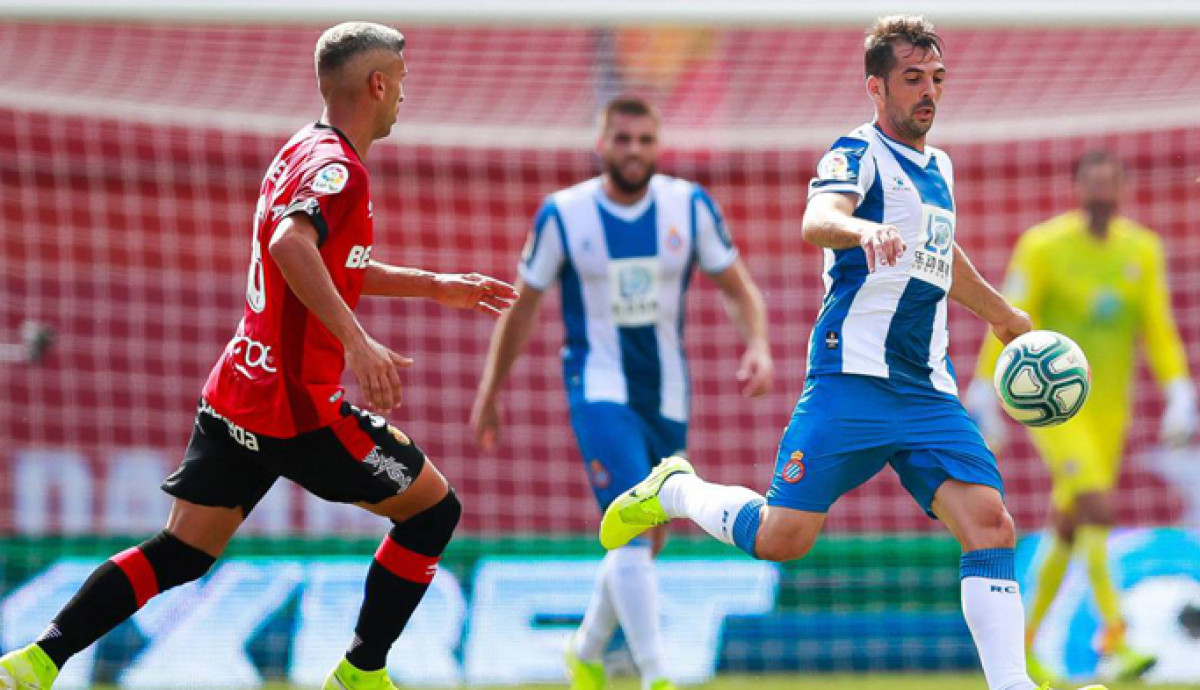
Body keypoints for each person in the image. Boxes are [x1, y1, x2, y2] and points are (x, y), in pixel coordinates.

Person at [0, 22, 517, 690]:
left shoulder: (302, 148)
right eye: (403, 83)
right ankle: (361, 672)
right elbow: (290, 244)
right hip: (300, 410)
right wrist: (358, 343)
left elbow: (328, 258)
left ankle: (36, 661)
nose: (403, 99)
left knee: (181, 551)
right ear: (377, 83)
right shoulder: (343, 173)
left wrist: (432, 284)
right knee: (433, 511)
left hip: (237, 395)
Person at [597, 16, 1108, 690]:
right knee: (785, 539)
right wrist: (859, 228)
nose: (928, 93)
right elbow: (818, 220)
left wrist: (1002, 315)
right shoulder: (855, 153)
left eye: (936, 80)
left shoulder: (940, 167)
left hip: (927, 388)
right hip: (851, 381)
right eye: (912, 80)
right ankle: (679, 489)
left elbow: (938, 252)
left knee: (991, 523)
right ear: (877, 87)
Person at [470, 95, 773, 690]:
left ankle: (584, 650)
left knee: (649, 536)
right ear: (601, 144)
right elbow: (522, 308)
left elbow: (738, 288)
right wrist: (490, 389)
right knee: (633, 528)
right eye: (623, 139)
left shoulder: (688, 205)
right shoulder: (563, 215)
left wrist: (758, 344)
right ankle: (657, 676)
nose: (634, 151)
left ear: (657, 146)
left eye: (644, 140)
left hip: (666, 393)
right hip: (597, 387)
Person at [967, 150, 1198, 684]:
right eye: (1091, 184)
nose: (1101, 194)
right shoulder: (1044, 247)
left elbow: (1158, 328)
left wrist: (1179, 389)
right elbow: (1007, 318)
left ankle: (1024, 649)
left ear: (1121, 190)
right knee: (1098, 507)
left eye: (1109, 184)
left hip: (1110, 412)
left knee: (1069, 528)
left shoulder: (1143, 249)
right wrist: (985, 388)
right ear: (1077, 189)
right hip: (1054, 411)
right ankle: (1114, 636)